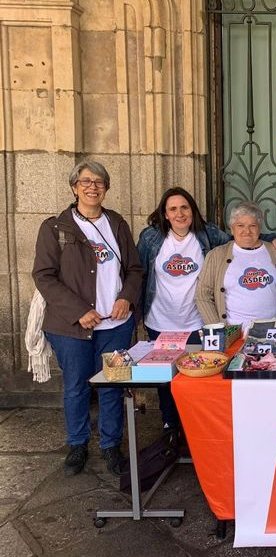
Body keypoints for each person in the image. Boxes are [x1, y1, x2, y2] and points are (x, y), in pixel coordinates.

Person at [33, 161, 143, 477]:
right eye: (85, 181)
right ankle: (78, 444)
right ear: (74, 187)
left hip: (115, 325)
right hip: (71, 327)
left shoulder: (118, 224)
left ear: (106, 188)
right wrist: (79, 310)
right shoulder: (56, 228)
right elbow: (43, 275)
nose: (92, 187)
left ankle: (111, 445)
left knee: (113, 384)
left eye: (98, 182)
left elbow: (135, 269)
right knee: (77, 386)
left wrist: (126, 298)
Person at [137, 187, 276, 428]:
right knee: (165, 378)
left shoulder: (208, 235)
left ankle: (192, 426)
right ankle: (170, 426)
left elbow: (241, 236)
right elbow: (140, 273)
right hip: (159, 321)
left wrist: (270, 238)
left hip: (196, 322)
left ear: (193, 210)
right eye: (173, 209)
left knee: (196, 376)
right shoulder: (151, 238)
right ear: (165, 213)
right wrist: (136, 313)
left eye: (184, 207)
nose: (179, 213)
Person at [195, 201, 276, 331]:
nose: (247, 231)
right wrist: (218, 330)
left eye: (253, 225)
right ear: (232, 228)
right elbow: (203, 295)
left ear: (260, 228)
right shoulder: (216, 256)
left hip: (274, 332)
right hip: (233, 335)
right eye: (240, 225)